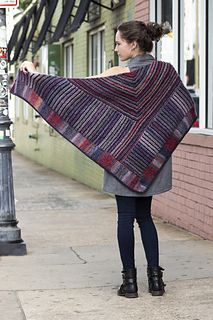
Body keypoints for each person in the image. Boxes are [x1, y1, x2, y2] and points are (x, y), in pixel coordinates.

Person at [18, 21, 195, 299]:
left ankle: (130, 284)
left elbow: (72, 88)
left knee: (125, 218)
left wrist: (33, 74)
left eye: (118, 43)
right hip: (152, 158)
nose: (115, 48)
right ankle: (156, 282)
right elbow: (184, 106)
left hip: (121, 158)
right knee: (145, 218)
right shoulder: (166, 73)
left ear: (133, 44)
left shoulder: (117, 74)